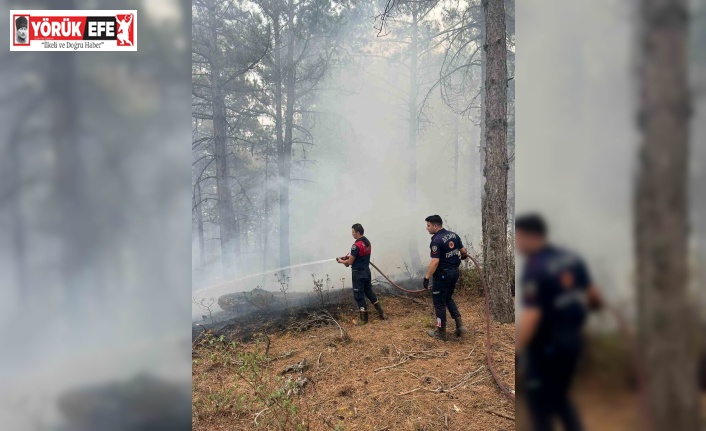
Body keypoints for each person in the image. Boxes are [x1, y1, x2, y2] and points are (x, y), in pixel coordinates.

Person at [515, 213, 602, 431]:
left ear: (530, 236)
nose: (517, 243)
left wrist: (517, 350)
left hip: (547, 347)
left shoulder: (535, 267)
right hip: (572, 341)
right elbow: (594, 296)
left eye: (518, 237)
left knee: (540, 405)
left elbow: (532, 315)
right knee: (559, 397)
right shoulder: (571, 258)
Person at [423, 215, 468, 341]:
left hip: (443, 275)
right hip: (454, 273)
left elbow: (435, 262)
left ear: (436, 226)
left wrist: (427, 278)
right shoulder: (453, 235)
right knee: (448, 298)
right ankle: (459, 325)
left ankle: (441, 331)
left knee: (439, 303)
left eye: (428, 225)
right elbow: (463, 251)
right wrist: (462, 256)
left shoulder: (436, 240)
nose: (427, 228)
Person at [336, 223, 386, 323]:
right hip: (366, 272)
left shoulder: (355, 246)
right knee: (369, 292)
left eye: (353, 232)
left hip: (358, 274)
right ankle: (382, 313)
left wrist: (341, 261)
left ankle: (363, 320)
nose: (352, 234)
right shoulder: (367, 242)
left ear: (358, 232)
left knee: (358, 295)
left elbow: (349, 262)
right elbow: (358, 256)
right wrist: (347, 258)